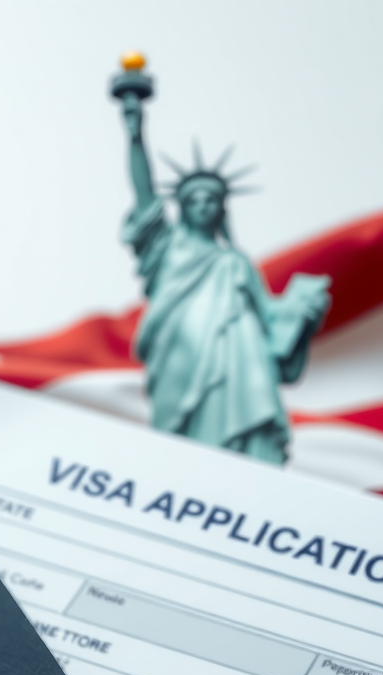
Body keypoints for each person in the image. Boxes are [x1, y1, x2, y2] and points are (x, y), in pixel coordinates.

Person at [119, 92, 331, 464]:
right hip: (179, 355)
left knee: (247, 437)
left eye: (211, 199)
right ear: (183, 207)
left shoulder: (236, 262)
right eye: (195, 199)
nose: (203, 205)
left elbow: (272, 324)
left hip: (241, 357)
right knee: (181, 451)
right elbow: (144, 198)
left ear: (221, 209)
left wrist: (303, 315)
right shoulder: (166, 248)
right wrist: (136, 135)